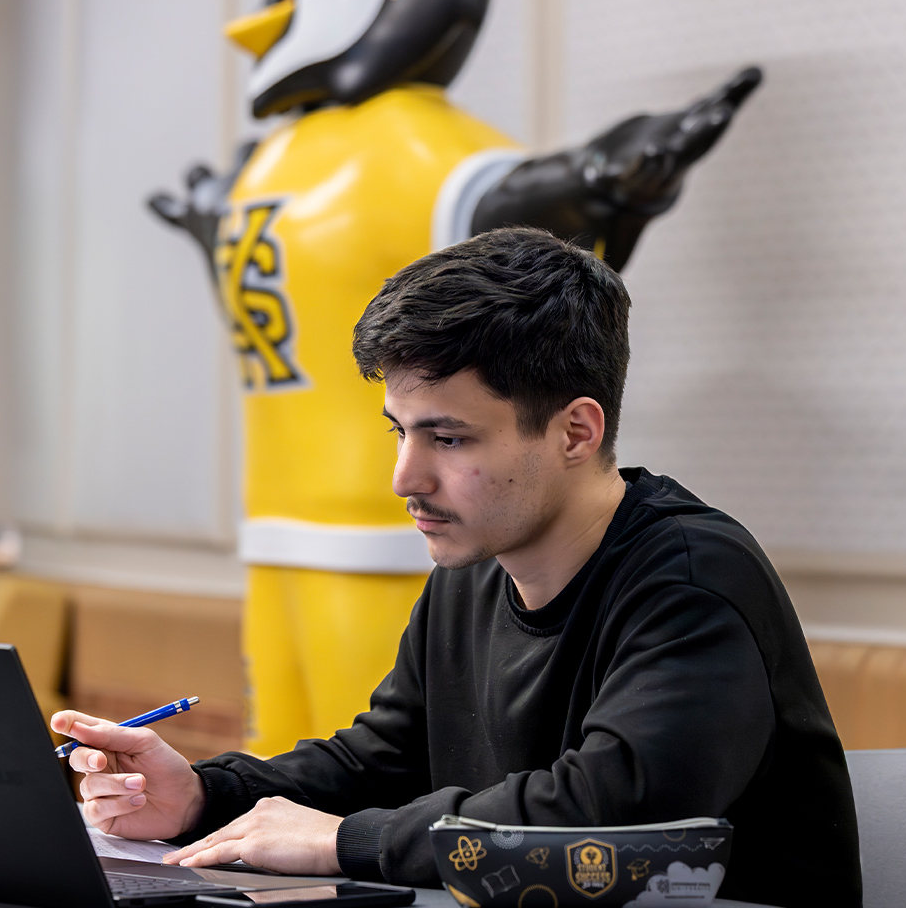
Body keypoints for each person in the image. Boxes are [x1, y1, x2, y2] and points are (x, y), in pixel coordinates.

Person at [53, 228, 861, 908]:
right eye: (397, 432)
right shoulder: (472, 569)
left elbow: (604, 815)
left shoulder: (692, 583)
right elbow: (381, 760)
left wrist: (344, 842)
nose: (405, 478)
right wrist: (202, 795)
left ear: (576, 433)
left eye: (449, 439)